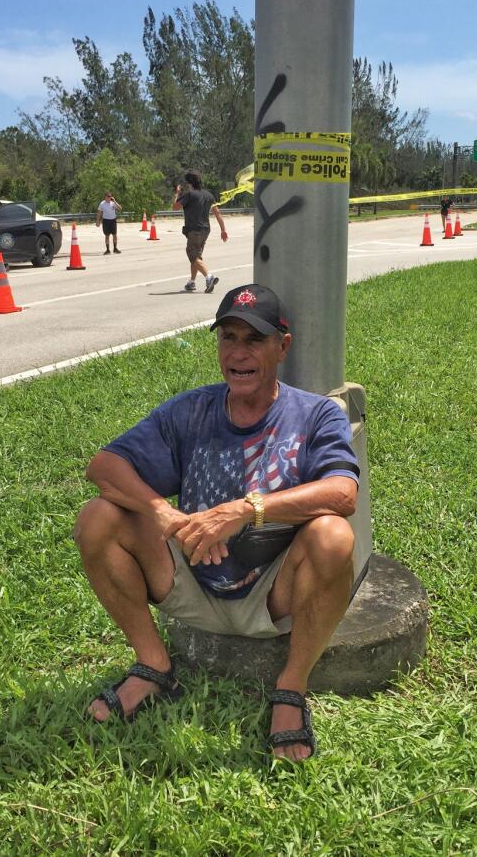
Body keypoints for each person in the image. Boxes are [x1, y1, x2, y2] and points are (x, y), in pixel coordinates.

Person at [73, 283, 360, 762]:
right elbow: (103, 466)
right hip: (190, 580)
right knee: (98, 516)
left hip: (272, 594)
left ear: (282, 347)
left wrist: (246, 509)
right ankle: (153, 664)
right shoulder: (191, 410)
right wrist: (167, 514)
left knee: (333, 536)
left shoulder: (315, 414)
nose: (239, 353)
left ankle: (291, 687)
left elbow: (343, 492)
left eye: (254, 340)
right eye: (228, 338)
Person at [172, 170, 227, 293]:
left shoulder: (190, 195)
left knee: (192, 254)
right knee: (197, 256)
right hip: (206, 230)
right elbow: (217, 212)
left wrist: (177, 193)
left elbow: (175, 207)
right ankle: (191, 282)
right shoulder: (209, 195)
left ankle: (209, 277)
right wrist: (223, 230)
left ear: (189, 183)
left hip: (194, 230)